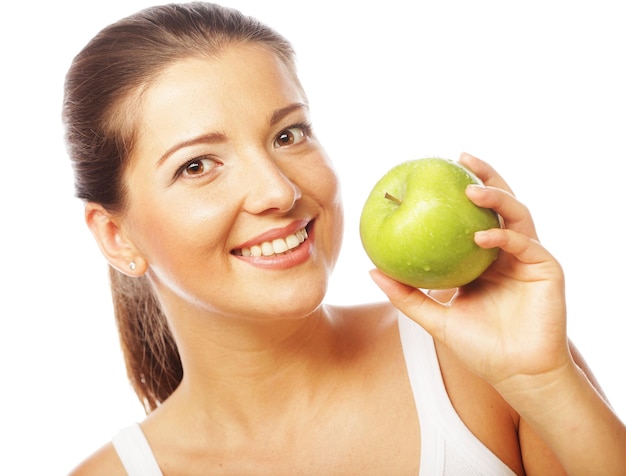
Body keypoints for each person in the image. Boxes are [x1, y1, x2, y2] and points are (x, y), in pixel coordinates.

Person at [62, 2, 626, 475]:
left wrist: (546, 382)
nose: (277, 191)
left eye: (289, 134)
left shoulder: (471, 360)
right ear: (116, 236)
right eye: (197, 166)